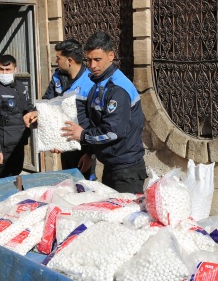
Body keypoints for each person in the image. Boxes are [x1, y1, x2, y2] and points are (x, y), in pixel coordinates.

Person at [35, 31, 146, 193]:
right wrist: (87, 152)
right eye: (89, 60)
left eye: (97, 60)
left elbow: (113, 132)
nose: (93, 65)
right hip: (111, 166)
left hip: (126, 171)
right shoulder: (98, 84)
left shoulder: (117, 89)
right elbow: (95, 123)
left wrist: (82, 135)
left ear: (111, 56)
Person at [42, 39, 96, 179]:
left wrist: (90, 153)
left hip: (83, 146)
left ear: (70, 61)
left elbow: (96, 120)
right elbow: (47, 105)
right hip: (64, 144)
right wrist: (53, 140)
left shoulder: (90, 82)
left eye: (58, 58)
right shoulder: (57, 77)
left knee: (85, 187)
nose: (56, 61)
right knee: (68, 184)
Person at [0, 54, 37, 178]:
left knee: (16, 174)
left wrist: (36, 116)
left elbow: (28, 107)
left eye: (8, 70)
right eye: (1, 69)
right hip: (5, 145)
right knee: (6, 178)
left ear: (15, 70)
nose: (4, 73)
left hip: (19, 141)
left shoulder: (20, 86)